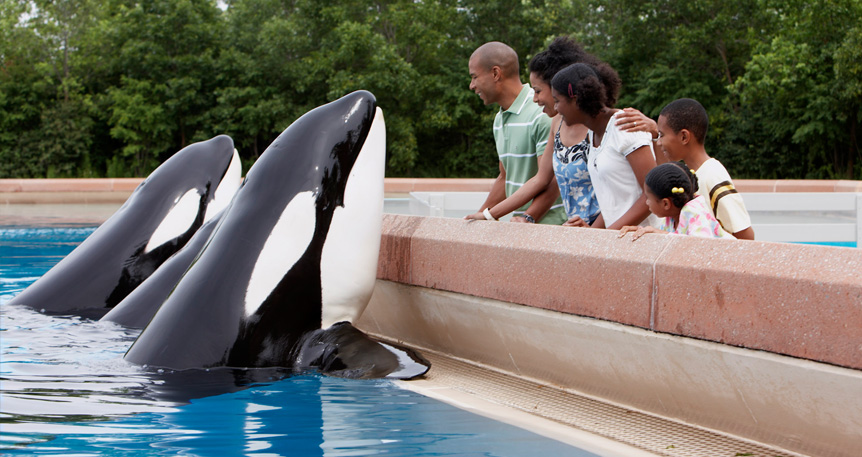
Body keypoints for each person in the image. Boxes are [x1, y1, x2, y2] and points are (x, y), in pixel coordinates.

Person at [466, 36, 617, 226]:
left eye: (538, 91)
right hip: (575, 232)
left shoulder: (602, 126)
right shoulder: (556, 123)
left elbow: (621, 194)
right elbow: (536, 178)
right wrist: (487, 215)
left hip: (586, 230)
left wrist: (529, 216)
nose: (535, 98)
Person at [615, 99, 754, 239]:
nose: (660, 143)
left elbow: (746, 236)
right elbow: (662, 172)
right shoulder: (685, 175)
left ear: (684, 137)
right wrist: (655, 134)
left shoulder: (713, 175)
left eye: (662, 135)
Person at [465, 41, 567, 225]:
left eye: (474, 77)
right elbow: (505, 178)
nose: (472, 85)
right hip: (520, 230)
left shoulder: (542, 112)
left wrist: (528, 217)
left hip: (549, 230)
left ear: (495, 73)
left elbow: (553, 179)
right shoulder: (499, 119)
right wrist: (477, 218)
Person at [549, 63, 656, 230]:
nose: (555, 108)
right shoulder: (593, 134)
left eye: (557, 101)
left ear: (576, 100)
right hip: (618, 240)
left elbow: (653, 193)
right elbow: (612, 202)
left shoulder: (624, 127)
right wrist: (593, 232)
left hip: (644, 240)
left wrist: (606, 236)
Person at [619, 162, 733, 240]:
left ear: (666, 203)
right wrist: (642, 231)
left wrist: (661, 234)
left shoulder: (694, 211)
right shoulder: (671, 217)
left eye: (648, 198)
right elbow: (664, 235)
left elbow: (700, 245)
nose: (647, 202)